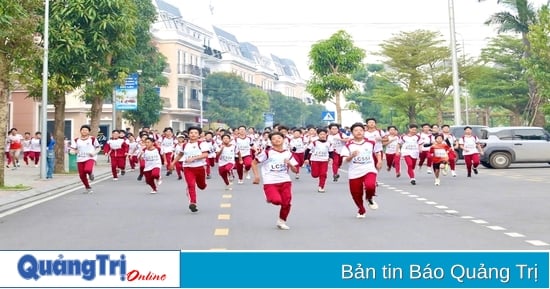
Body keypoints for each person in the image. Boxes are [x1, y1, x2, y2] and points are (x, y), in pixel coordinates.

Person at [251, 131, 299, 230]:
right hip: (270, 181)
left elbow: (295, 170)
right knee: (276, 201)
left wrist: (289, 164)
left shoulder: (288, 153)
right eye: (273, 139)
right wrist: (257, 176)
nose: (276, 140)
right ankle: (269, 197)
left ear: (283, 139)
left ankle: (282, 221)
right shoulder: (267, 152)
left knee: (286, 203)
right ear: (271, 141)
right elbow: (254, 163)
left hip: (285, 181)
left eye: (279, 138)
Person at [340, 122, 382, 218]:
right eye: (356, 130)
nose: (359, 132)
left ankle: (369, 198)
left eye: (361, 130)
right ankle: (361, 209)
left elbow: (378, 151)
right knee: (356, 194)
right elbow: (345, 161)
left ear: (364, 132)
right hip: (354, 172)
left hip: (369, 169)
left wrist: (379, 161)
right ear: (352, 132)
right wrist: (352, 156)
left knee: (370, 186)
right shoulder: (348, 145)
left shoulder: (371, 143)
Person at [170, 126, 209, 213]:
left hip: (199, 167)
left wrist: (193, 158)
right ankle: (193, 203)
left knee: (202, 186)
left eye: (195, 133)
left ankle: (201, 186)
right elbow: (180, 154)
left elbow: (205, 154)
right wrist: (173, 163)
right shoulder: (184, 145)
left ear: (199, 135)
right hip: (188, 168)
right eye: (191, 133)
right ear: (188, 134)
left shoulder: (202, 144)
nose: (193, 134)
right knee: (191, 185)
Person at [69, 125, 100, 193]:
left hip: (90, 157)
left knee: (87, 169)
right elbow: (72, 149)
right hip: (80, 158)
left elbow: (98, 148)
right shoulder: (76, 140)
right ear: (80, 131)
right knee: (82, 175)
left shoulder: (92, 139)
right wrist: (73, 152)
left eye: (86, 130)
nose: (84, 131)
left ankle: (90, 173)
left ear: (89, 132)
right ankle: (87, 187)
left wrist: (94, 153)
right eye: (83, 130)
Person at [304, 128, 333, 192]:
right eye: (321, 134)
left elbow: (331, 152)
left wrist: (331, 158)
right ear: (318, 135)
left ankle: (321, 187)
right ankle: (315, 173)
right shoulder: (314, 143)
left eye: (324, 134)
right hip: (315, 160)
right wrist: (306, 159)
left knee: (323, 174)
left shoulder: (329, 143)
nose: (323, 135)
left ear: (326, 134)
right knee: (315, 175)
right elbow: (307, 150)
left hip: (324, 161)